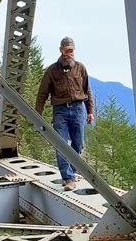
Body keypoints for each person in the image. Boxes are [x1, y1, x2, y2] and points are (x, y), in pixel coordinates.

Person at [35, 37, 94, 190]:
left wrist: (90, 111)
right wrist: (37, 114)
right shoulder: (52, 71)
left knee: (78, 144)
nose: (69, 53)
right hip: (60, 110)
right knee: (61, 143)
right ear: (61, 50)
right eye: (67, 50)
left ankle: (71, 172)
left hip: (78, 109)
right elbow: (42, 94)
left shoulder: (81, 68)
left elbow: (87, 91)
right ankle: (68, 178)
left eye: (71, 50)